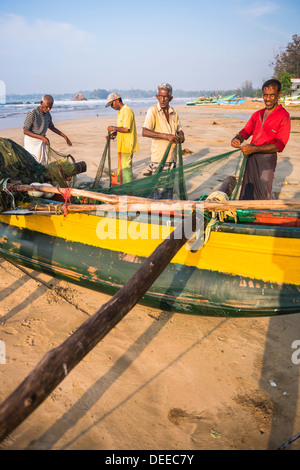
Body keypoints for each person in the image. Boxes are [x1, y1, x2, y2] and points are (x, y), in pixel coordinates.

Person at [231, 79, 291, 200]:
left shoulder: (284, 116)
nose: (268, 99)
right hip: (251, 158)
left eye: (272, 95)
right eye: (265, 95)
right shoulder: (257, 114)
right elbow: (245, 132)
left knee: (263, 192)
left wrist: (254, 149)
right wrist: (237, 138)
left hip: (267, 160)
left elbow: (279, 145)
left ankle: (261, 215)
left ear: (279, 95)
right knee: (247, 191)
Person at [142, 83, 185, 176]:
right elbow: (144, 132)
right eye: (160, 96)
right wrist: (166, 136)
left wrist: (181, 135)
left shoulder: (173, 112)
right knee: (158, 187)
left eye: (165, 97)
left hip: (172, 157)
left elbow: (179, 128)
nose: (162, 100)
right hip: (159, 158)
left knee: (169, 187)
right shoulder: (152, 111)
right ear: (157, 97)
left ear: (170, 98)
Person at [23, 94, 72, 165]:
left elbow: (52, 127)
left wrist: (65, 136)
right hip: (31, 142)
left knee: (43, 163)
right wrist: (42, 137)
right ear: (41, 103)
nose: (48, 109)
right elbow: (25, 131)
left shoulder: (48, 115)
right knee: (32, 163)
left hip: (42, 141)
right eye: (47, 107)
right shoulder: (32, 113)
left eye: (50, 107)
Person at [106, 92, 139, 184]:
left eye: (111, 104)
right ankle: (122, 184)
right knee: (121, 167)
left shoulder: (127, 110)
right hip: (122, 144)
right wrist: (114, 133)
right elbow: (122, 128)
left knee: (125, 167)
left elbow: (126, 129)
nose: (111, 107)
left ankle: (128, 187)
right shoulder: (120, 112)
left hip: (127, 145)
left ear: (117, 100)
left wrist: (113, 128)